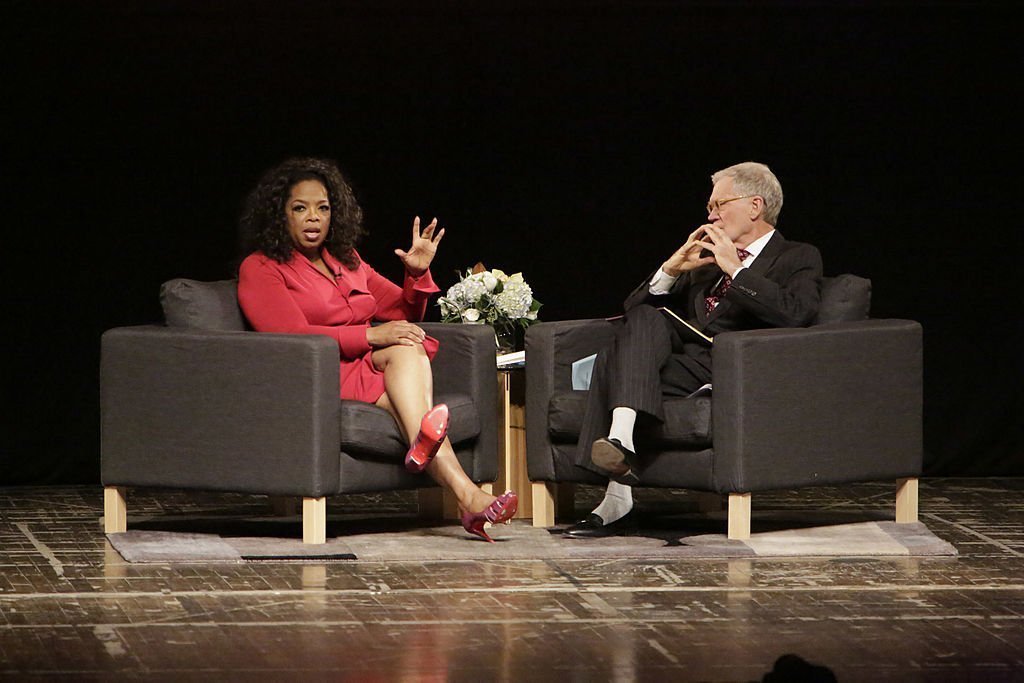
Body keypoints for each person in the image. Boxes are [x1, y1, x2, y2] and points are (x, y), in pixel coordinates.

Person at [236, 157, 517, 542]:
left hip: (363, 367)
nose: (313, 218)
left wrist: (416, 274)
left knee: (407, 342)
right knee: (405, 363)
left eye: (323, 208)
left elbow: (402, 311)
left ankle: (464, 493)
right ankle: (461, 487)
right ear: (279, 214)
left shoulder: (347, 261)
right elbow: (292, 336)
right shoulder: (262, 267)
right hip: (314, 375)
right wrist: (371, 336)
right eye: (300, 208)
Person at [565, 161, 823, 538]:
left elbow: (796, 313)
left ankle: (617, 498)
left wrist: (737, 272)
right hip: (684, 364)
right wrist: (670, 271)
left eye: (720, 205)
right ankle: (621, 438)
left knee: (612, 362)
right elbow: (631, 313)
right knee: (642, 323)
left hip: (734, 366)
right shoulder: (704, 264)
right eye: (709, 208)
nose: (711, 216)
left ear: (755, 206)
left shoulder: (797, 256)